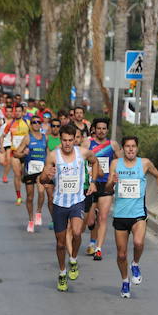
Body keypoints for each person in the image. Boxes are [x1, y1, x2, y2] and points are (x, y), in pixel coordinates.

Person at [39, 123, 102, 292]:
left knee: (77, 232)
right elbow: (42, 180)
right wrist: (47, 176)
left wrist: (94, 182)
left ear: (75, 140)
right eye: (64, 140)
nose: (67, 143)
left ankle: (73, 260)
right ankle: (62, 272)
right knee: (60, 244)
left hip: (77, 201)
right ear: (60, 140)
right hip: (59, 203)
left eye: (70, 140)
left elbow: (95, 162)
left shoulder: (83, 153)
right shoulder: (53, 156)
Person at [104, 136, 158, 298]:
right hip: (120, 214)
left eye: (133, 146)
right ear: (123, 149)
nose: (130, 149)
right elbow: (108, 188)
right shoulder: (115, 164)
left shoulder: (144, 163)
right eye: (127, 146)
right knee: (121, 254)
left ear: (137, 148)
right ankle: (125, 281)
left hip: (138, 213)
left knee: (138, 243)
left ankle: (135, 264)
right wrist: (112, 182)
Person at [84, 118, 123, 260]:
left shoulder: (112, 145)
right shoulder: (87, 143)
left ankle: (98, 248)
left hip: (106, 185)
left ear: (107, 130)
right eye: (99, 128)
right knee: (90, 221)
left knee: (103, 217)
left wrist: (118, 174)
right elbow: (80, 159)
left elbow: (121, 161)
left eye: (104, 128)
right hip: (91, 184)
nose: (101, 131)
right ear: (94, 129)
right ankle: (92, 240)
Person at [13, 114, 48, 232]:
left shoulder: (45, 138)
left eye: (38, 122)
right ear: (31, 125)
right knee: (29, 197)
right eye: (34, 122)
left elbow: (48, 153)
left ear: (41, 124)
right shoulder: (27, 138)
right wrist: (23, 153)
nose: (36, 124)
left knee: (41, 192)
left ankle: (38, 212)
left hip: (41, 170)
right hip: (30, 170)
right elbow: (16, 153)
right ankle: (30, 220)